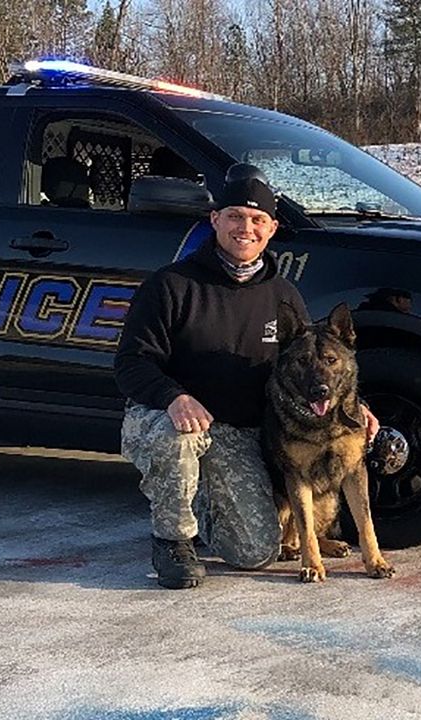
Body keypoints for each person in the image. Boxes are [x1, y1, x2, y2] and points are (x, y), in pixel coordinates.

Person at [114, 169, 378, 589]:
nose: (246, 228)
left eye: (258, 221)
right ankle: (172, 542)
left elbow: (311, 366)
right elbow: (130, 362)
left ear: (272, 228)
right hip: (173, 418)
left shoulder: (283, 295)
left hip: (240, 432)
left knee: (256, 553)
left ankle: (201, 503)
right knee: (176, 436)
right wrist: (173, 396)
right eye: (236, 216)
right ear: (215, 220)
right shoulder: (172, 285)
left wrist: (350, 408)